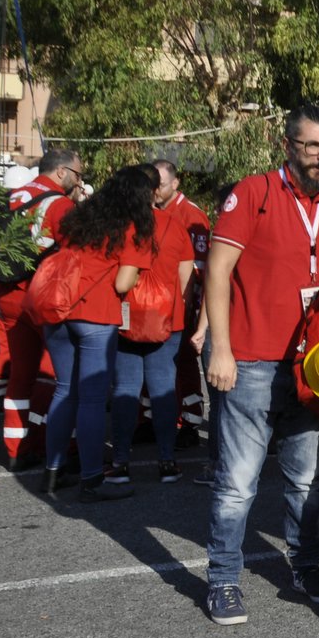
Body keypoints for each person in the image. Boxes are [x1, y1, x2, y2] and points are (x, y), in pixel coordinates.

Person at [202, 104, 319, 627]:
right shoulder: (252, 193)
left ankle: (302, 566)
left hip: (312, 366)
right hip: (250, 360)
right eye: (311, 146)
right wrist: (221, 349)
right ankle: (223, 579)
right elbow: (217, 271)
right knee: (238, 483)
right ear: (287, 146)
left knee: (306, 480)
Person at [40, 164, 157, 501]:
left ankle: (53, 471)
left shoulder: (83, 217)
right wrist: (133, 277)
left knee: (64, 390)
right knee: (91, 399)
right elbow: (123, 281)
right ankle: (92, 480)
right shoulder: (134, 227)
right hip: (95, 313)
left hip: (59, 308)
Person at [106, 162, 197, 486]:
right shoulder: (174, 224)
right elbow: (187, 275)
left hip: (125, 316)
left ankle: (120, 462)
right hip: (167, 318)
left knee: (126, 389)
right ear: (156, 190)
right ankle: (167, 461)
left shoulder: (120, 226)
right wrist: (182, 310)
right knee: (163, 390)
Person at [0, 146, 81, 471]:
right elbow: (76, 254)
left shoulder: (10, 198)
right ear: (62, 172)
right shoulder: (59, 204)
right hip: (42, 297)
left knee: (20, 373)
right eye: (78, 174)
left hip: (7, 296)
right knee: (54, 374)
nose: (78, 180)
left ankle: (16, 448)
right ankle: (52, 445)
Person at [153, 161, 211, 449]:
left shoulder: (192, 216)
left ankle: (189, 421)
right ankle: (153, 418)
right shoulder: (151, 212)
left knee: (184, 364)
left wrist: (188, 309)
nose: (155, 191)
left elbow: (199, 272)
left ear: (175, 184)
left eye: (160, 185)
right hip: (155, 306)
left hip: (183, 305)